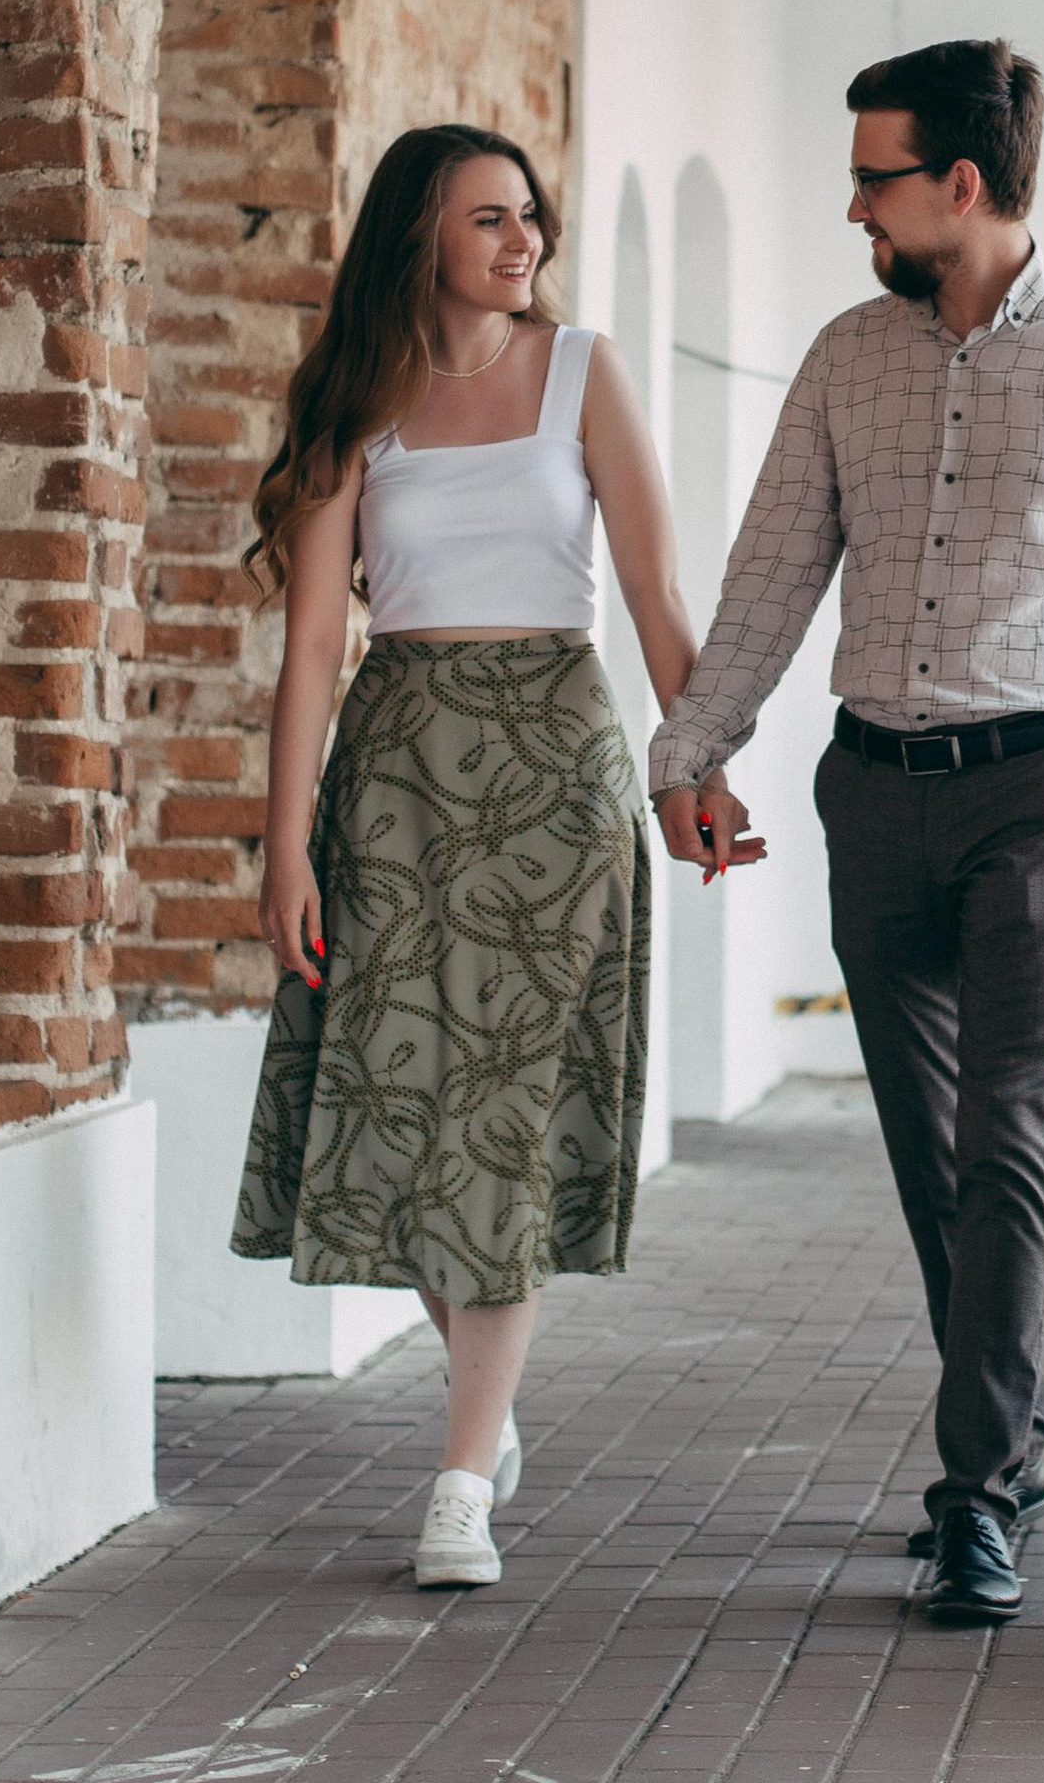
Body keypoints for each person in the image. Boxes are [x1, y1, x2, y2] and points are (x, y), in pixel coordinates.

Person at [651, 40, 1044, 1627]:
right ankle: (1011, 1439)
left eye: (873, 176)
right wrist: (691, 751)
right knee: (928, 1152)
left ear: (961, 184)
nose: (853, 206)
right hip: (873, 790)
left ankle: (975, 1495)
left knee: (1006, 1142)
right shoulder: (846, 360)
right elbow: (771, 574)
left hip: (1040, 794)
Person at [230, 123, 760, 1591]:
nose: (522, 240)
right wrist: (287, 845)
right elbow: (317, 648)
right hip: (395, 773)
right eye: (487, 219)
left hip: (554, 765)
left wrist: (693, 775)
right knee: (402, 1109)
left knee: (507, 1124)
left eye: (528, 216)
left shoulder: (583, 371)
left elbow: (655, 596)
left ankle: (461, 1475)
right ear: (421, 236)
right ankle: (490, 1406)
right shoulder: (352, 399)